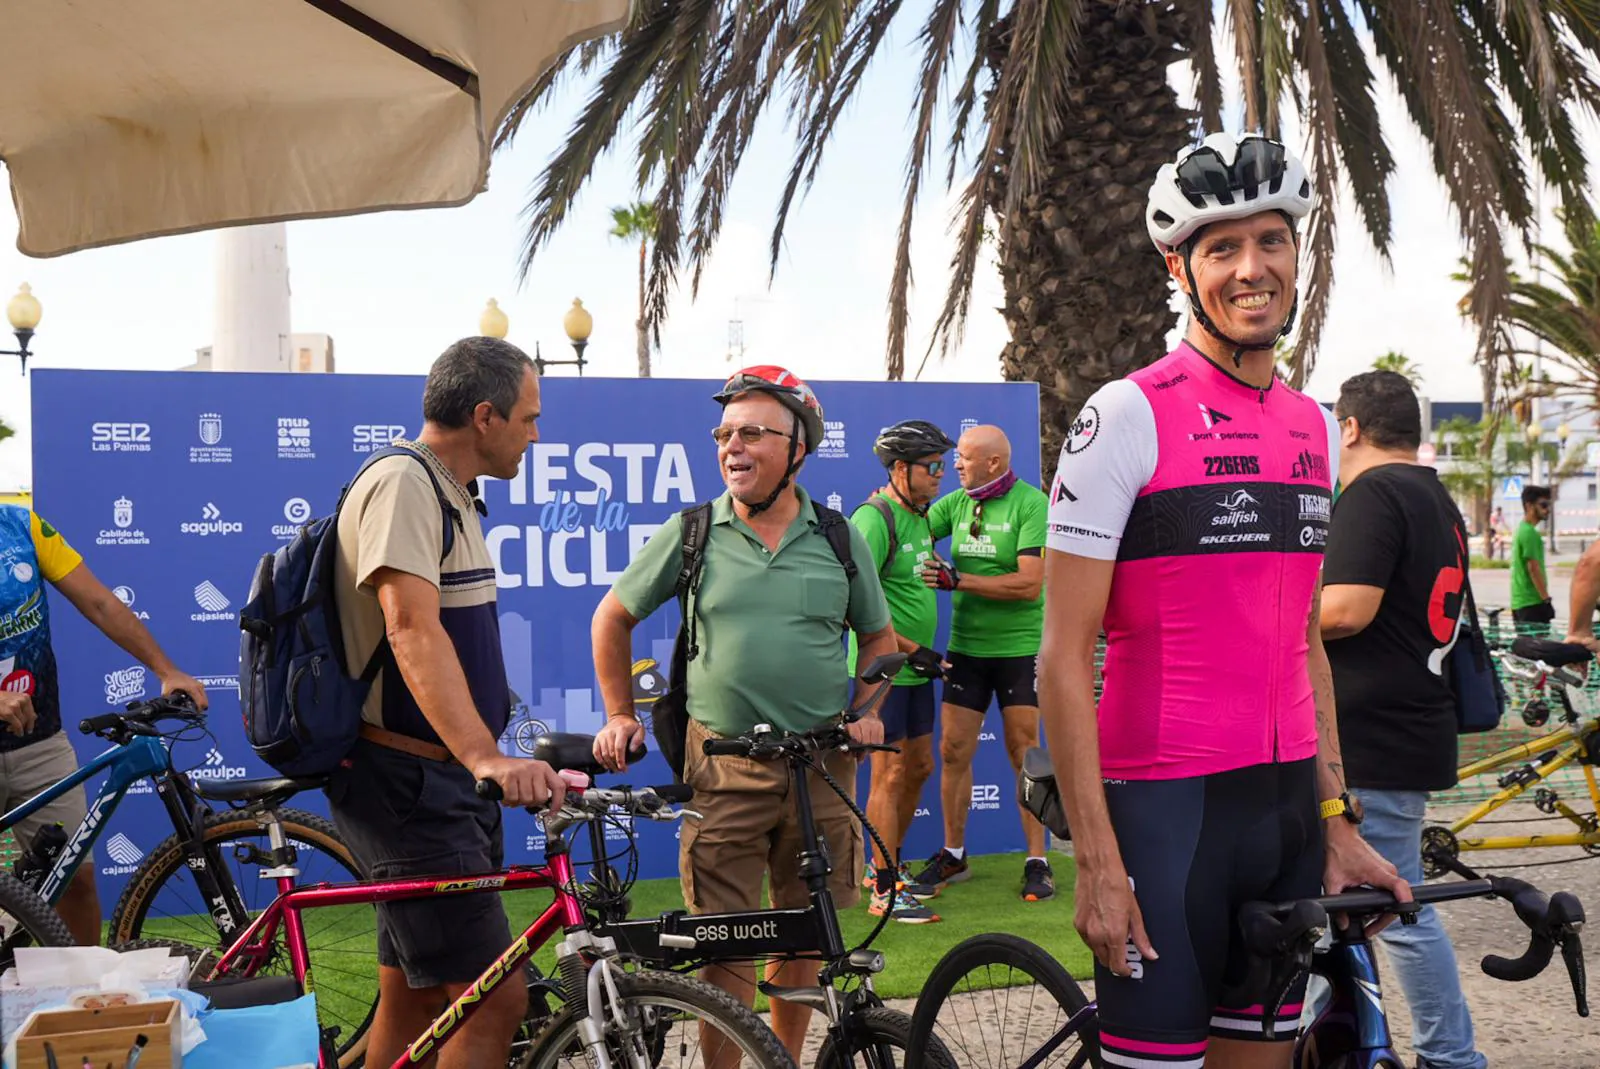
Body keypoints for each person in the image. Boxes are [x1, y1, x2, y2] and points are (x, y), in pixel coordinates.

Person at [1040, 132, 1407, 1069]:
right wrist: (1095, 858)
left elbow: (1303, 643)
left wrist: (1334, 820)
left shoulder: (1314, 426)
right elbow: (1060, 658)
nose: (1252, 268)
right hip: (1164, 820)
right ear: (1179, 265)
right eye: (1220, 247)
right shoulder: (1125, 413)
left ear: (1298, 253)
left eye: (1271, 241)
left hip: (1283, 815)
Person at [590, 365, 895, 1062]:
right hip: (722, 766)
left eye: (753, 432)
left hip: (821, 767)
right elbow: (612, 617)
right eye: (725, 433)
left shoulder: (840, 537)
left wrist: (865, 709)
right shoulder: (694, 530)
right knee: (723, 938)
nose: (733, 445)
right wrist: (618, 712)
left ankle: (778, 1061)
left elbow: (879, 639)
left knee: (802, 935)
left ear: (797, 448)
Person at [327, 336, 567, 1069]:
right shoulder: (405, 482)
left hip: (438, 780)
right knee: (493, 996)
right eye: (529, 417)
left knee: (416, 998)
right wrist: (485, 755)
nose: (536, 432)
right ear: (485, 416)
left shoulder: (449, 490)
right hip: (408, 783)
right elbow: (408, 627)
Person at [1314, 370, 1486, 1069]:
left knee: (1394, 908)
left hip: (1371, 736)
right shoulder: (1435, 495)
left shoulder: (1375, 492)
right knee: (1380, 907)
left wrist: (1264, 623)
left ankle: (1451, 1056)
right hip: (1412, 722)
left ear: (1350, 427)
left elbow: (1347, 608)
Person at [0, 506, 209, 945]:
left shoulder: (21, 525)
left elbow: (100, 603)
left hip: (39, 743)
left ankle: (83, 1004)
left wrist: (164, 669)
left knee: (74, 881)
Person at [911, 424, 1053, 903]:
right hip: (966, 648)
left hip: (1019, 649)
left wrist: (958, 581)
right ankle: (954, 853)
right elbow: (911, 531)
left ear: (994, 462)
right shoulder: (955, 503)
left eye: (964, 458)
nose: (955, 465)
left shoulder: (1031, 504)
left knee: (1024, 752)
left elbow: (1029, 584)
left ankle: (1038, 860)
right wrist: (888, 505)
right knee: (953, 750)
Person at [850, 419, 956, 923]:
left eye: (942, 465)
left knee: (919, 769)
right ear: (899, 469)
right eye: (931, 467)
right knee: (888, 776)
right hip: (885, 673)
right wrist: (914, 649)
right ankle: (883, 886)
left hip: (915, 671)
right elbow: (857, 603)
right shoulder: (874, 519)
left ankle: (884, 864)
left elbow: (913, 574)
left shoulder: (919, 515)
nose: (941, 475)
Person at [1510, 485, 1555, 632]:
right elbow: (1533, 568)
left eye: (1548, 505)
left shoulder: (1521, 529)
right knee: (1539, 651)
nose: (1547, 509)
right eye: (1543, 505)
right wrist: (1546, 599)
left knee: (1525, 650)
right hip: (1532, 603)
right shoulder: (1530, 534)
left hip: (1520, 603)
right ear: (1529, 506)